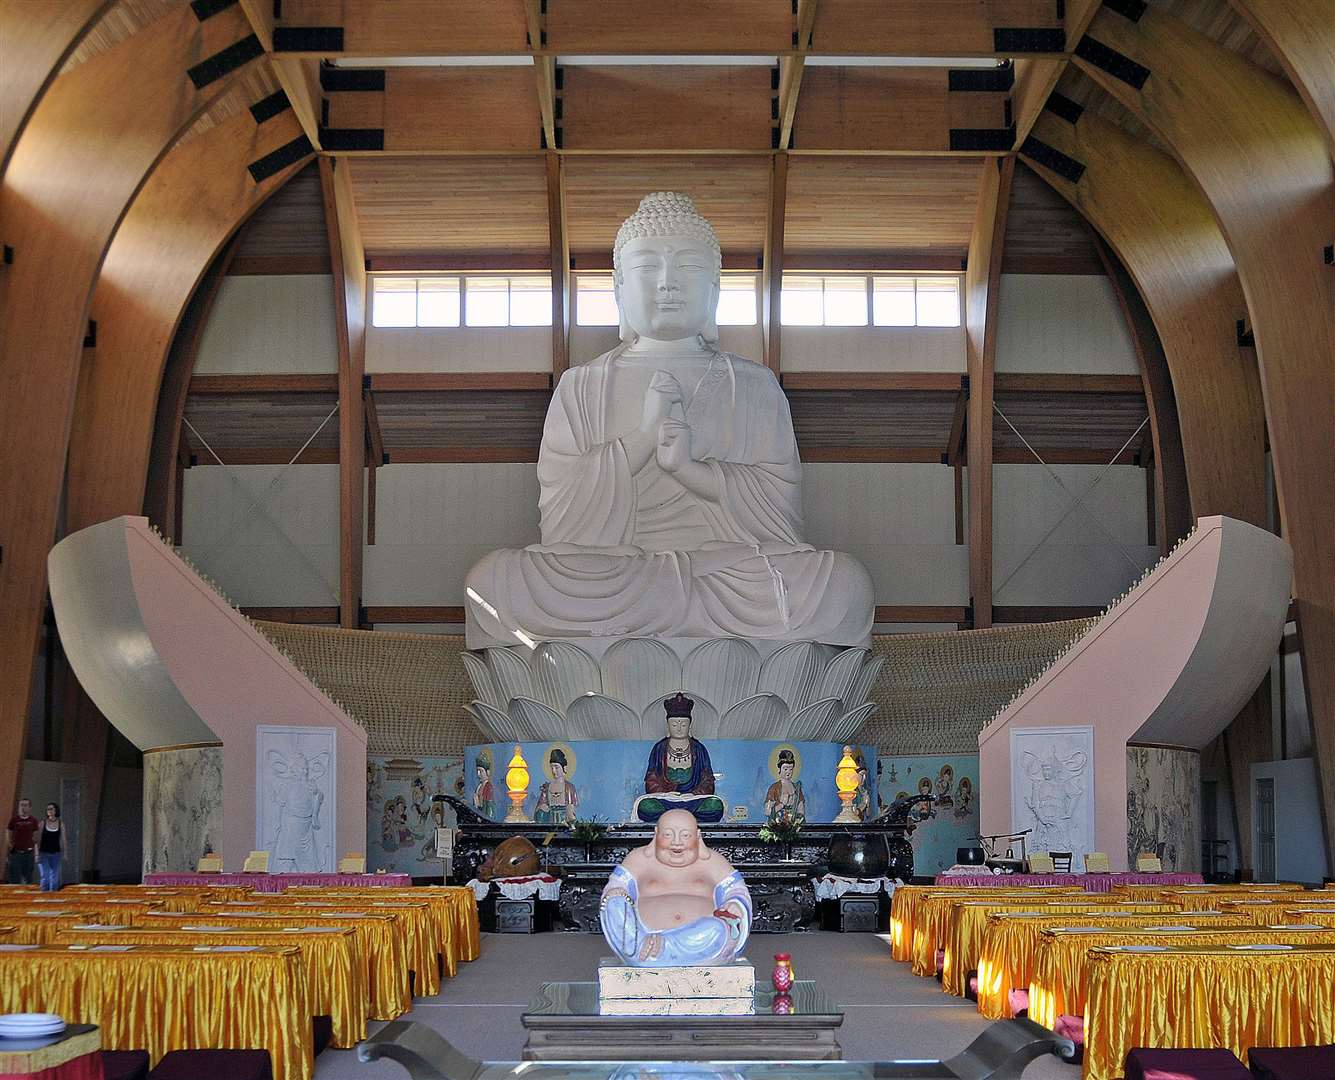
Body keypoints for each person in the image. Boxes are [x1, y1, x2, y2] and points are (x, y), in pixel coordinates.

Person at [464, 191, 874, 650]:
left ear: (715, 288)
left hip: (727, 575)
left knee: (841, 583)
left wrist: (690, 471)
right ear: (619, 287)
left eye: (689, 267)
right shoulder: (581, 385)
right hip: (614, 575)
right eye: (646, 267)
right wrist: (641, 441)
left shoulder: (754, 385)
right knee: (494, 581)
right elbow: (563, 521)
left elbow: (778, 512)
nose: (667, 283)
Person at [601, 809, 751, 967]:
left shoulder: (714, 863)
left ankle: (658, 950)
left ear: (698, 836)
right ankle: (641, 949)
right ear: (656, 834)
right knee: (613, 903)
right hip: (640, 936)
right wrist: (617, 892)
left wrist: (735, 902)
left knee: (717, 929)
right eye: (668, 834)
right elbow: (617, 885)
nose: (677, 842)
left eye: (686, 835)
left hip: (700, 943)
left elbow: (737, 891)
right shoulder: (638, 860)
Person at [634, 693, 724, 823]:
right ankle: (680, 816)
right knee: (646, 806)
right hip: (667, 800)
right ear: (668, 726)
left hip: (693, 801)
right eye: (675, 725)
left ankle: (681, 816)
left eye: (683, 724)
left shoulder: (699, 749)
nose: (679, 729)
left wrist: (694, 794)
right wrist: (665, 794)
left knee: (715, 805)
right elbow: (651, 779)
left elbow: (708, 780)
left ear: (690, 726)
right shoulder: (659, 749)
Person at [534, 748, 579, 825]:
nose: (554, 771)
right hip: (549, 826)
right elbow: (538, 812)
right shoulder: (546, 788)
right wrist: (542, 808)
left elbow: (571, 811)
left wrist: (570, 812)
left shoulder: (569, 788)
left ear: (564, 768)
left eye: (556, 767)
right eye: (552, 768)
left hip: (564, 826)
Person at [764, 749, 805, 823]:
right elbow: (767, 811)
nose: (788, 772)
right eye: (785, 769)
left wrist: (796, 821)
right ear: (779, 769)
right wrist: (781, 805)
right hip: (777, 826)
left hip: (793, 826)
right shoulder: (774, 788)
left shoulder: (797, 788)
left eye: (791, 769)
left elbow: (801, 810)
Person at [5, 798, 38, 885]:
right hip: (16, 853)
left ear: (30, 807)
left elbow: (35, 838)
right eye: (21, 805)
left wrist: (36, 853)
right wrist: (10, 845)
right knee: (14, 879)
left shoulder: (33, 820)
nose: (23, 807)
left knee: (28, 878)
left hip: (28, 853)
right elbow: (8, 832)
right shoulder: (14, 820)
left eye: (25, 805)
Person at [36, 803, 64, 891]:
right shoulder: (42, 823)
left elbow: (63, 839)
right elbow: (37, 839)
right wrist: (37, 854)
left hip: (56, 853)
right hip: (43, 852)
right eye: (48, 809)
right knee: (45, 875)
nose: (49, 811)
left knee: (55, 876)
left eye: (51, 809)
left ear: (56, 810)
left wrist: (65, 852)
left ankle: (53, 896)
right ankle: (44, 895)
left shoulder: (60, 823)